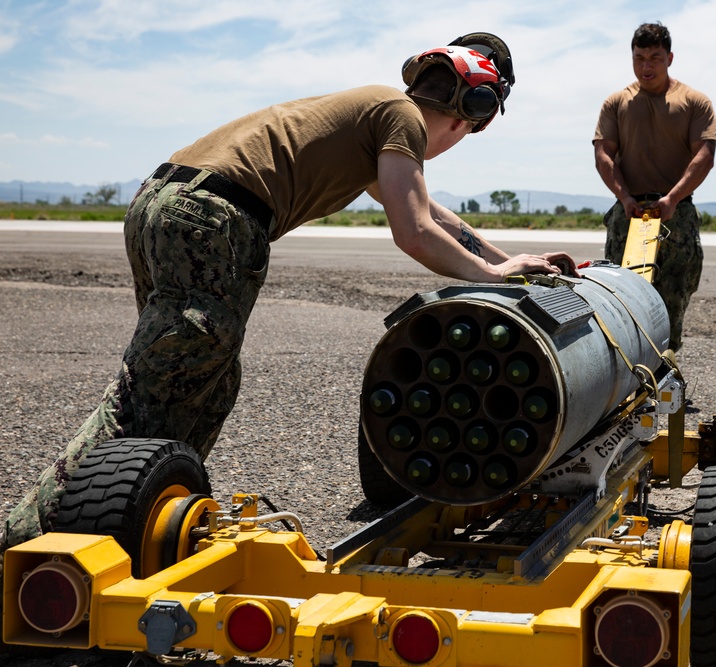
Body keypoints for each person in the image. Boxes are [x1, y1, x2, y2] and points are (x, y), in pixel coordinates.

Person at [0, 33, 576, 560]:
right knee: (144, 395)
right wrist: (492, 281)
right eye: (471, 132)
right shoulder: (402, 118)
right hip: (218, 218)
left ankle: (134, 518)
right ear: (469, 115)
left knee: (203, 382)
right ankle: (28, 540)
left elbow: (429, 214)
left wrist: (504, 261)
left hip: (164, 203)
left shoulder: (372, 114)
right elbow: (414, 230)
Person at [593, 21, 716, 352]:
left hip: (676, 214)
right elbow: (603, 153)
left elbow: (705, 156)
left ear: (670, 58)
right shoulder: (617, 103)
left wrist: (673, 199)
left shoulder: (694, 102)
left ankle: (665, 371)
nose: (646, 66)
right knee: (620, 294)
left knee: (674, 294)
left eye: (655, 58)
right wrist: (623, 197)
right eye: (639, 58)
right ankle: (625, 372)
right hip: (629, 212)